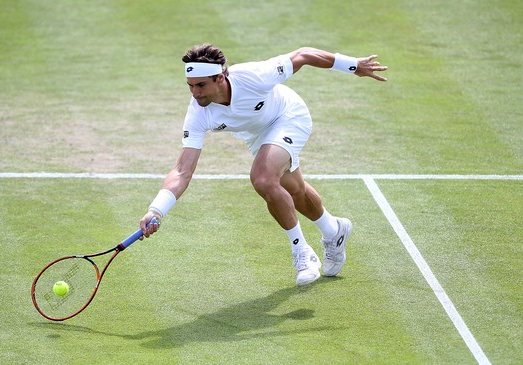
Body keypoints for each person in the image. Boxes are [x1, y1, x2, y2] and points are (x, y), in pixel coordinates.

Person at [139, 44, 388, 286]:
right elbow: (183, 170)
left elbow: (303, 55)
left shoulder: (253, 76)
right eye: (190, 87)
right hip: (258, 134)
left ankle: (303, 253)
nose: (196, 94)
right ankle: (334, 230)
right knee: (293, 190)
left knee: (263, 178)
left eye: (201, 85)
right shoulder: (198, 113)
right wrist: (156, 209)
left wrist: (353, 65)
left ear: (220, 77)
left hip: (289, 116)